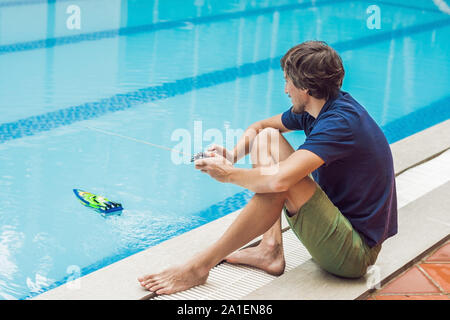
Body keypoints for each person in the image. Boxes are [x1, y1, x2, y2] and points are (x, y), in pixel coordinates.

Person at [138, 41, 398, 295]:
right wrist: (233, 155)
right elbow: (260, 127)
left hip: (355, 254)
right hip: (341, 227)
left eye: (288, 81)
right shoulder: (321, 107)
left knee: (282, 179)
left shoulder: (340, 123)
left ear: (305, 88)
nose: (285, 90)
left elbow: (279, 181)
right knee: (268, 138)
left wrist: (228, 175)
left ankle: (198, 267)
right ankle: (269, 247)